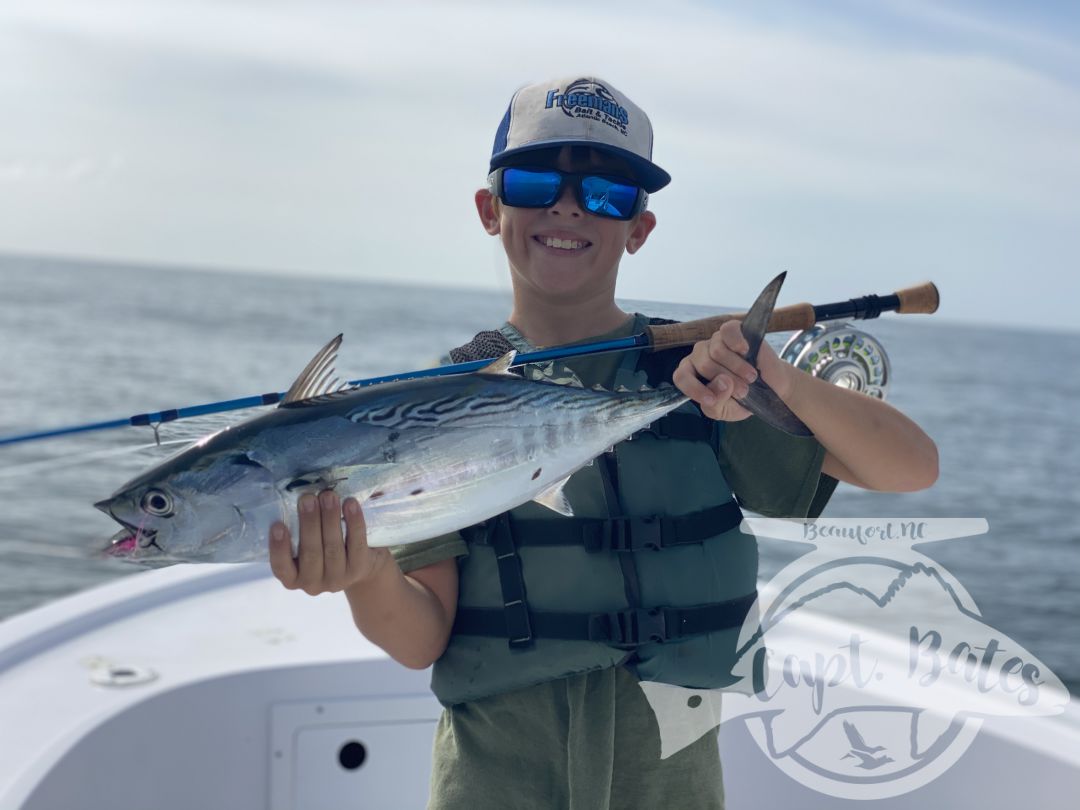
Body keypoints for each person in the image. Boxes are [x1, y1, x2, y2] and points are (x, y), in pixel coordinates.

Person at [267, 76, 939, 809]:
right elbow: (420, 638)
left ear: (639, 228)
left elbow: (912, 468)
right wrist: (363, 574)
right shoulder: (438, 406)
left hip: (671, 779)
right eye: (535, 182)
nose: (567, 207)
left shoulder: (699, 381)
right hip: (496, 775)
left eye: (608, 193)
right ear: (491, 211)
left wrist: (773, 376)